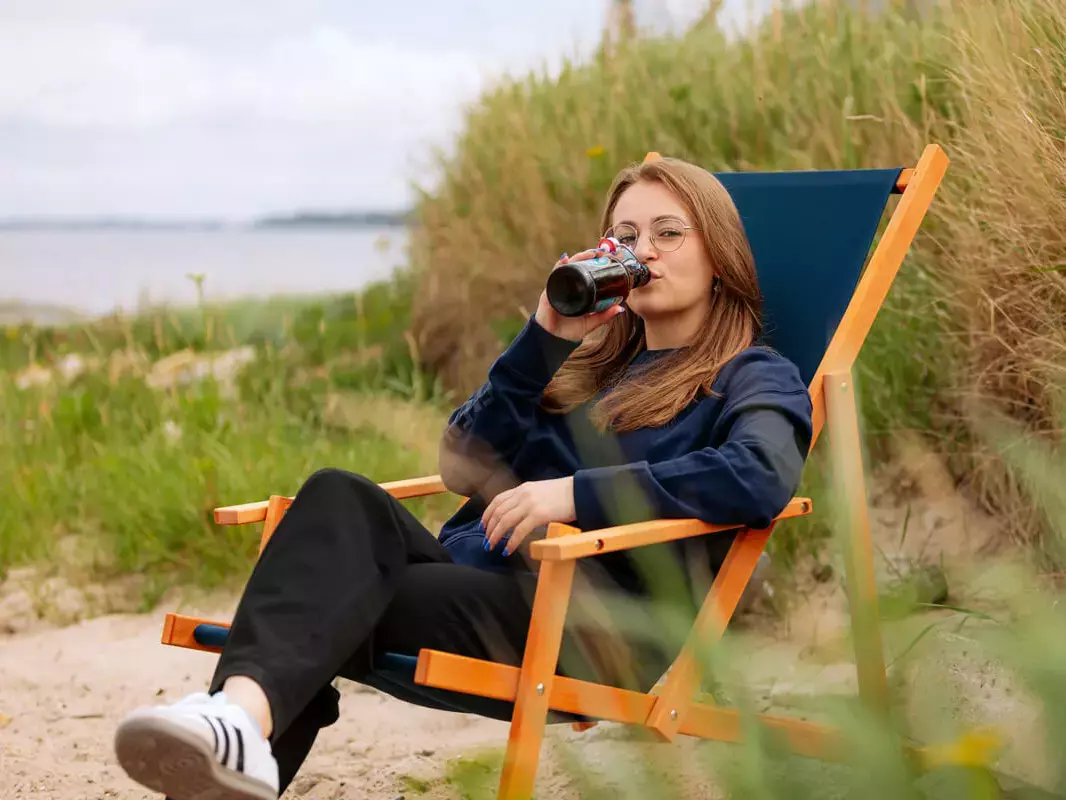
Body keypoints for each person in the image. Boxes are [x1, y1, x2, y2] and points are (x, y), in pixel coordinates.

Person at [112, 156, 813, 800]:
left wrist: (570, 495)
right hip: (481, 586)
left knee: (310, 597)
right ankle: (238, 723)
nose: (645, 252)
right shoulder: (591, 378)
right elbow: (463, 461)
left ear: (718, 255)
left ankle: (238, 719)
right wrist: (545, 334)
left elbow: (758, 475)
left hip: (586, 625)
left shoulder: (750, 375)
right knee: (336, 495)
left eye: (669, 233)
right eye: (625, 238)